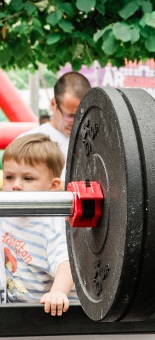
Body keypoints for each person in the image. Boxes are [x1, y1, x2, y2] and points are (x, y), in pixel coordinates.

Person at [1, 132, 74, 314]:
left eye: (28, 178)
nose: (16, 185)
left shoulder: (51, 224)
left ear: (53, 186)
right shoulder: (6, 211)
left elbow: (66, 262)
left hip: (49, 311)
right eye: (9, 177)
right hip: (17, 307)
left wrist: (58, 293)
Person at [31, 71, 90, 161]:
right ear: (53, 104)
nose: (76, 122)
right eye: (70, 116)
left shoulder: (95, 141)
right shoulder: (31, 143)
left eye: (82, 115)